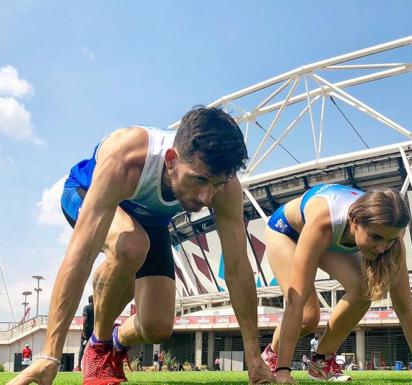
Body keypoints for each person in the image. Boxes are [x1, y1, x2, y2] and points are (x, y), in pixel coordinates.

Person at [7, 107, 273, 385]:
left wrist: (254, 361)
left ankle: (118, 338)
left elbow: (238, 269)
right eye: (199, 180)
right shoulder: (127, 157)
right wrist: (49, 355)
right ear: (171, 160)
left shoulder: (226, 188)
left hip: (150, 221)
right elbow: (79, 255)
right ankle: (98, 348)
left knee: (157, 327)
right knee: (131, 245)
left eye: (216, 185)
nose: (207, 197)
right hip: (85, 195)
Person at [259, 184, 412, 383]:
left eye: (389, 240)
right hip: (288, 232)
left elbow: (404, 306)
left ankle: (321, 363)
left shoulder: (392, 235)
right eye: (375, 237)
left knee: (363, 290)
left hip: (329, 236)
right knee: (308, 316)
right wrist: (283, 371)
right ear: (354, 221)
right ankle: (272, 360)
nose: (381, 248)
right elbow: (295, 301)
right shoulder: (323, 222)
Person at [75, 295, 94, 371]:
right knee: (92, 348)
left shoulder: (86, 308)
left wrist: (83, 331)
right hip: (93, 331)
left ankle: (79, 366)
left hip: (86, 331)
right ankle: (91, 367)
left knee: (82, 348)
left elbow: (85, 319)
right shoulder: (96, 309)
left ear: (88, 301)